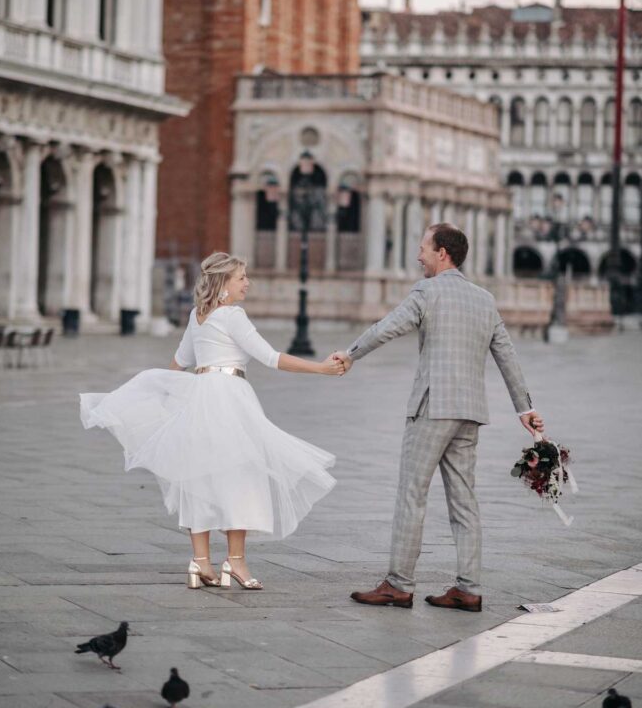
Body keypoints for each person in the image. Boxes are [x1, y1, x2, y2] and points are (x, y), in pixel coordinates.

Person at [80, 252, 344, 591]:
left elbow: (180, 362)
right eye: (241, 278)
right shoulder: (234, 316)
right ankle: (235, 562)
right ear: (223, 285)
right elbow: (270, 358)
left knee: (198, 477)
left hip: (200, 395)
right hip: (229, 397)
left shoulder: (197, 316)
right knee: (243, 475)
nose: (247, 283)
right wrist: (321, 368)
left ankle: (200, 562)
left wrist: (170, 398)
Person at [333, 223, 544, 613]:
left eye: (423, 249)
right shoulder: (484, 299)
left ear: (442, 253)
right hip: (470, 413)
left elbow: (388, 327)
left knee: (412, 494)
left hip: (433, 408)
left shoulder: (427, 291)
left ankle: (398, 584)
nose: (419, 256)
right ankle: (469, 588)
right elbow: (507, 355)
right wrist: (525, 408)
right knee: (464, 501)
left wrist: (351, 353)